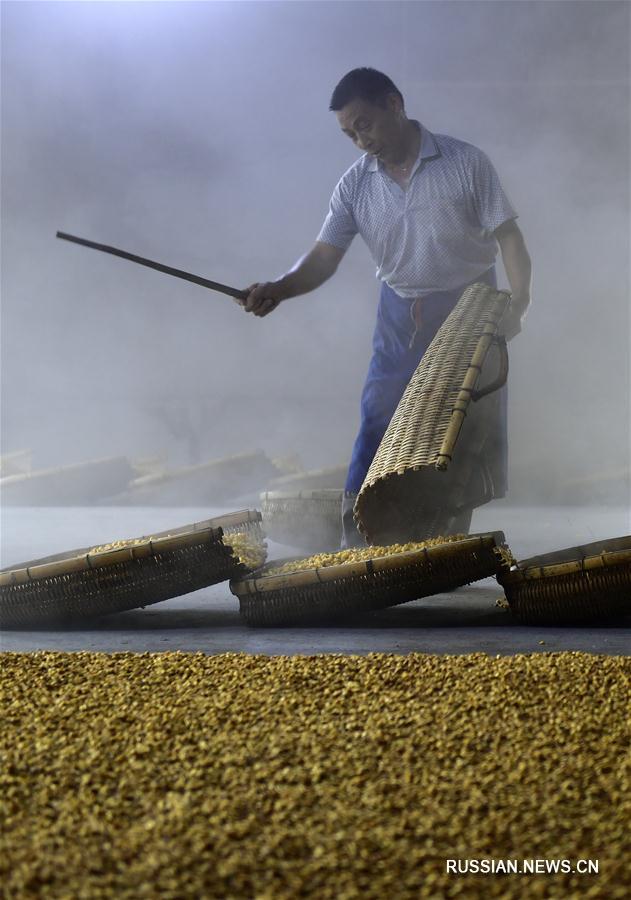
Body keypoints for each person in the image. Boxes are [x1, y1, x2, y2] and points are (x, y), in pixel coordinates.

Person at [241, 68, 532, 546]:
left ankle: (446, 543)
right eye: (349, 134)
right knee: (378, 416)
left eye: (364, 125)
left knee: (462, 430)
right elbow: (322, 258)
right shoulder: (355, 185)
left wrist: (518, 305)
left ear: (394, 104)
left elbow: (510, 239)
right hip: (399, 312)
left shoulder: (464, 162)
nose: (360, 140)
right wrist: (278, 287)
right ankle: (355, 540)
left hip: (469, 307)